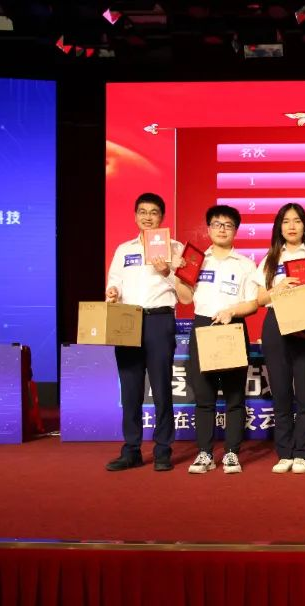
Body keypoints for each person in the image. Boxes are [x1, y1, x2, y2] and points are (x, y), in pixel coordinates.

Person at [174, 204, 258, 474]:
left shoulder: (246, 264)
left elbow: (253, 303)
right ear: (208, 228)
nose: (222, 229)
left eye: (228, 225)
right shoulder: (197, 260)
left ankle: (232, 453)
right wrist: (178, 276)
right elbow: (185, 300)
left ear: (236, 230)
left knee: (234, 396)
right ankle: (205, 453)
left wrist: (231, 312)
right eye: (217, 224)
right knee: (204, 396)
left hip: (232, 326)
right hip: (203, 326)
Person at [104, 192, 183, 472]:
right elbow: (114, 282)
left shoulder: (175, 248)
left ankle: (163, 450)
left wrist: (167, 271)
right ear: (136, 216)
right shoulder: (123, 249)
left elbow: (185, 291)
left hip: (160, 320)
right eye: (142, 212)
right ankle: (131, 450)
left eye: (153, 212)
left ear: (162, 217)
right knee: (130, 389)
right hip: (128, 319)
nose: (148, 217)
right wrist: (112, 292)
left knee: (161, 388)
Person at [252, 203, 305, 473]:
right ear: (279, 227)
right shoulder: (270, 259)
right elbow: (259, 299)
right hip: (275, 324)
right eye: (286, 221)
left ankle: (302, 453)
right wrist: (278, 287)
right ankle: (284, 453)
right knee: (281, 391)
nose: (291, 226)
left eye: (297, 221)